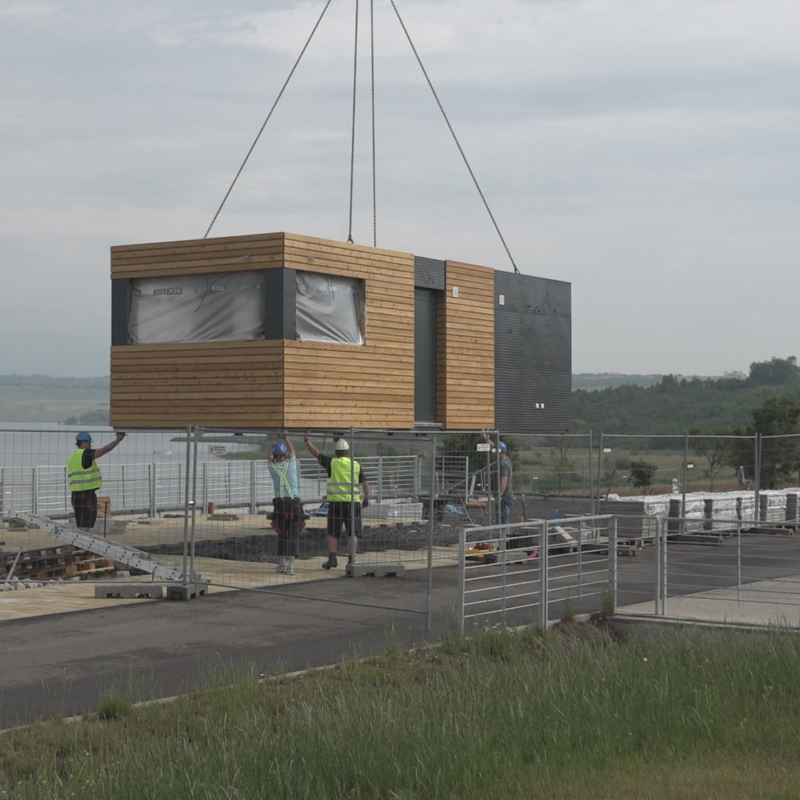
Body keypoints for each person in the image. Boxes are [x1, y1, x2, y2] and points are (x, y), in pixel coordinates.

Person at [304, 431, 370, 569]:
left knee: (332, 532)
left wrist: (307, 441)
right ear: (347, 452)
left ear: (336, 452)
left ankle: (332, 558)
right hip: (353, 504)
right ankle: (351, 561)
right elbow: (365, 484)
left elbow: (316, 453)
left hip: (336, 505)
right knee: (353, 533)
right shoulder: (356, 465)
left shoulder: (331, 463)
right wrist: (366, 498)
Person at [67, 431, 126, 531]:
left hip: (75, 495)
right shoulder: (85, 454)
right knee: (86, 523)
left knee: (81, 522)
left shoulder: (72, 457)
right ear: (84, 442)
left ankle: (79, 542)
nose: (90, 445)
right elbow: (103, 451)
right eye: (90, 443)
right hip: (86, 494)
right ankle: (82, 543)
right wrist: (118, 440)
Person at [267, 432, 303, 576]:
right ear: (285, 455)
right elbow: (293, 451)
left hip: (280, 506)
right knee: (293, 535)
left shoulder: (273, 469)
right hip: (294, 504)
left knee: (281, 534)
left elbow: (269, 458)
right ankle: (291, 567)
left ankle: (281, 564)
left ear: (276, 456)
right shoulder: (292, 466)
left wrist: (273, 442)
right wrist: (286, 438)